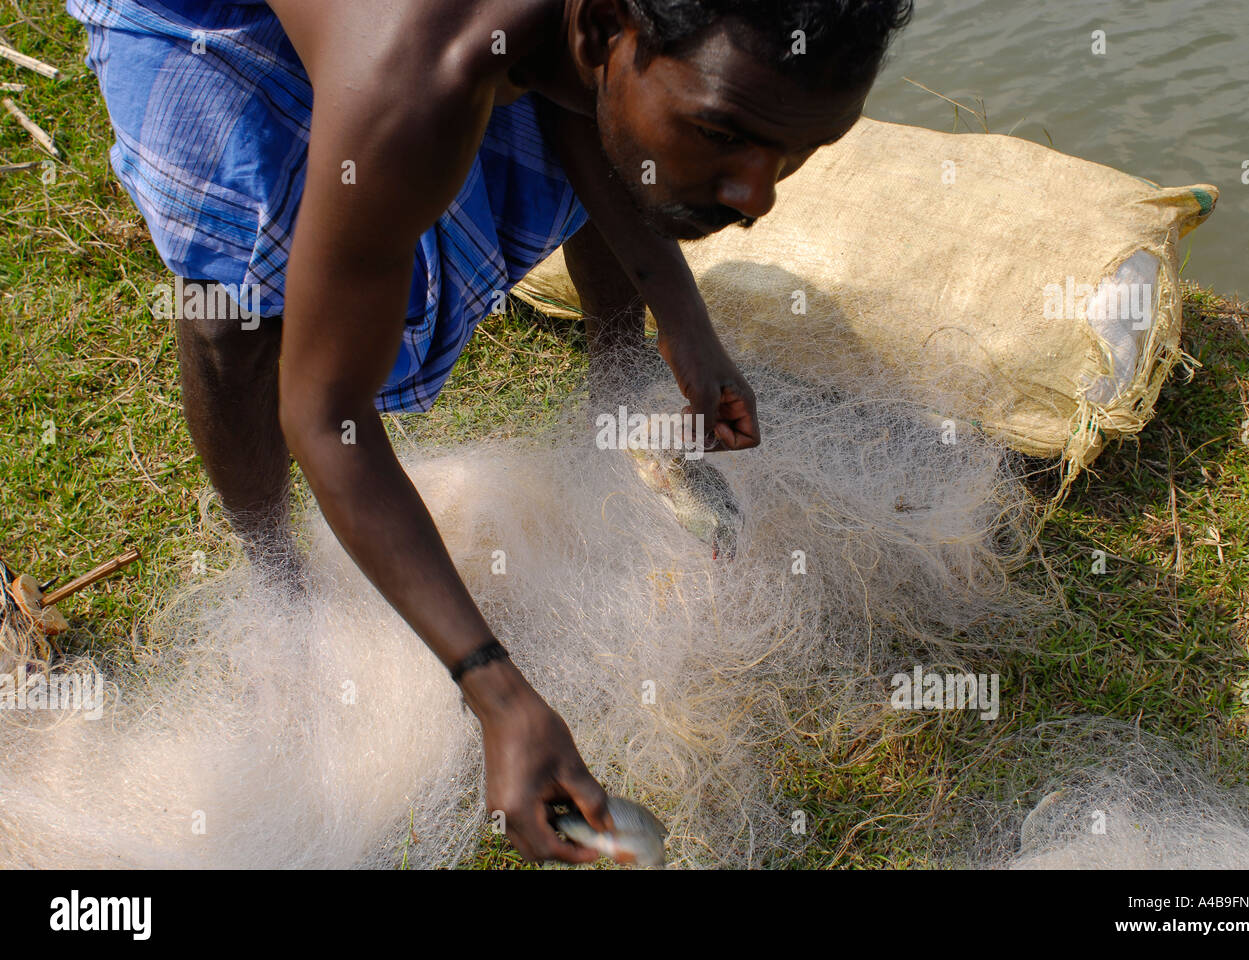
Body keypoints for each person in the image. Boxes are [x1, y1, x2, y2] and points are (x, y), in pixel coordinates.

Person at [68, 0, 913, 863]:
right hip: (213, 18)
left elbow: (588, 110)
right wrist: (497, 694)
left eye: (799, 154)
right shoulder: (415, 79)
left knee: (624, 152)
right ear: (597, 31)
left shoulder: (587, 41)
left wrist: (680, 317)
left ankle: (611, 444)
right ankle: (278, 590)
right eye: (725, 130)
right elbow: (325, 415)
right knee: (235, 311)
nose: (755, 197)